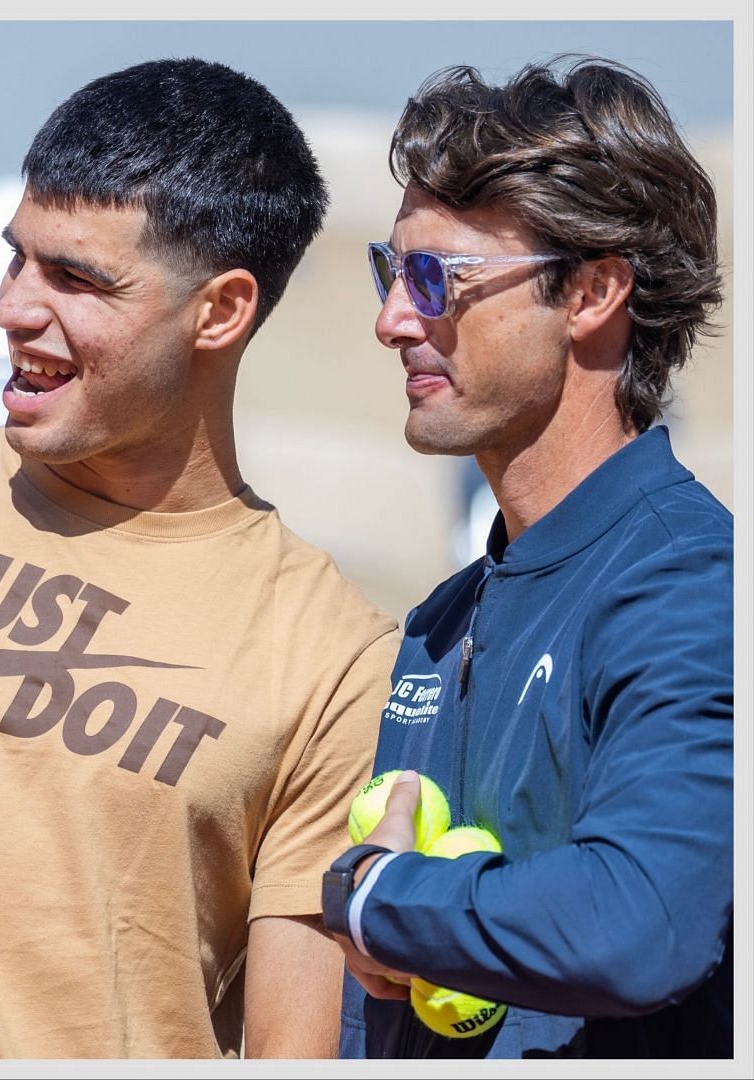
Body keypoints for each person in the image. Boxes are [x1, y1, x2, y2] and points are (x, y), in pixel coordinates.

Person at [0, 58, 399, 1058]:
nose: (13, 310)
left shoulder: (336, 660)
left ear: (220, 310)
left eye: (77, 279)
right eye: (16, 259)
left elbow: (296, 1053)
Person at [321, 58, 731, 1059]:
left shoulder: (698, 592)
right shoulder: (439, 620)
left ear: (593, 292)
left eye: (435, 279)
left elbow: (637, 922)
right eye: (391, 271)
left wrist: (373, 897)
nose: (393, 321)